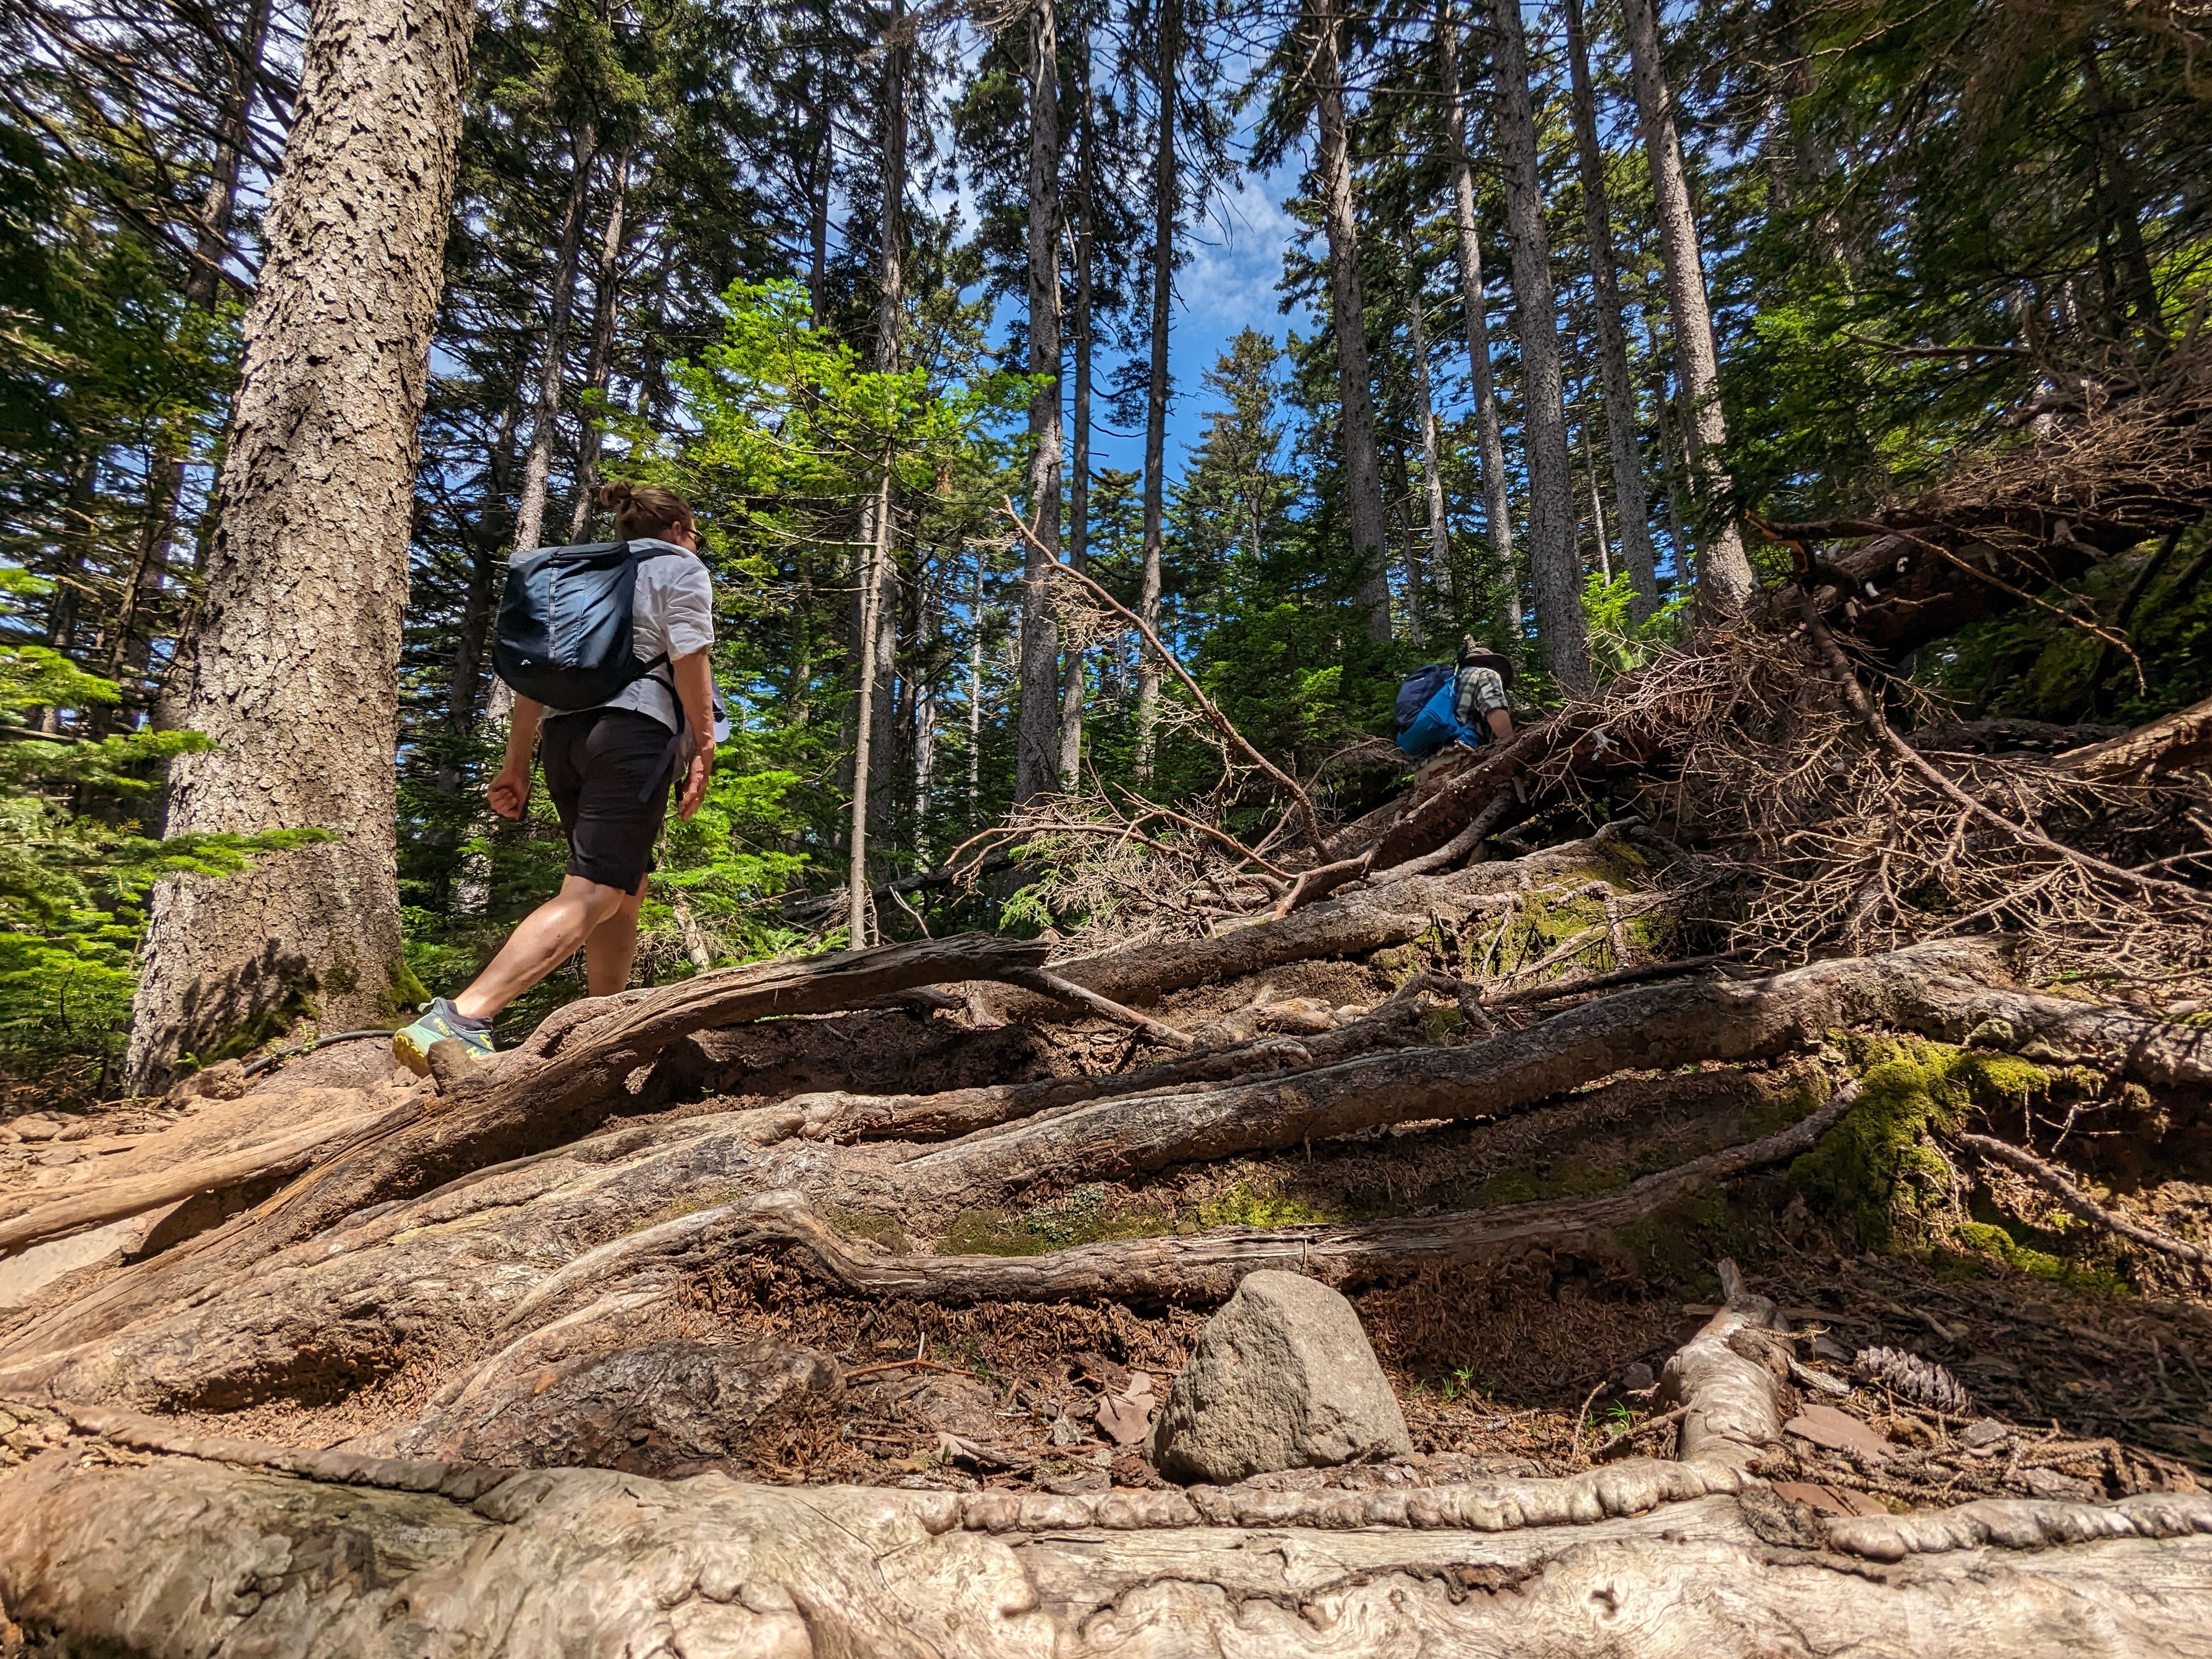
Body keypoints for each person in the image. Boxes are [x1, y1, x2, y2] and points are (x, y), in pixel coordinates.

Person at [392, 481, 717, 1074]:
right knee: (592, 891)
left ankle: (606, 1020)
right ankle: (462, 1016)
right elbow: (689, 656)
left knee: (623, 890)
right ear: (676, 531)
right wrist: (703, 745)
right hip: (633, 733)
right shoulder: (678, 567)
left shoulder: (583, 579)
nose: (695, 546)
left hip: (566, 739)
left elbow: (535, 679)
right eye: (695, 536)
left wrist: (516, 764)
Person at [1397, 637, 1515, 760]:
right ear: (1488, 664)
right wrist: (1511, 749)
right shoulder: (1485, 674)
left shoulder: (1452, 681)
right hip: (1461, 756)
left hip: (1427, 766)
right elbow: (1494, 707)